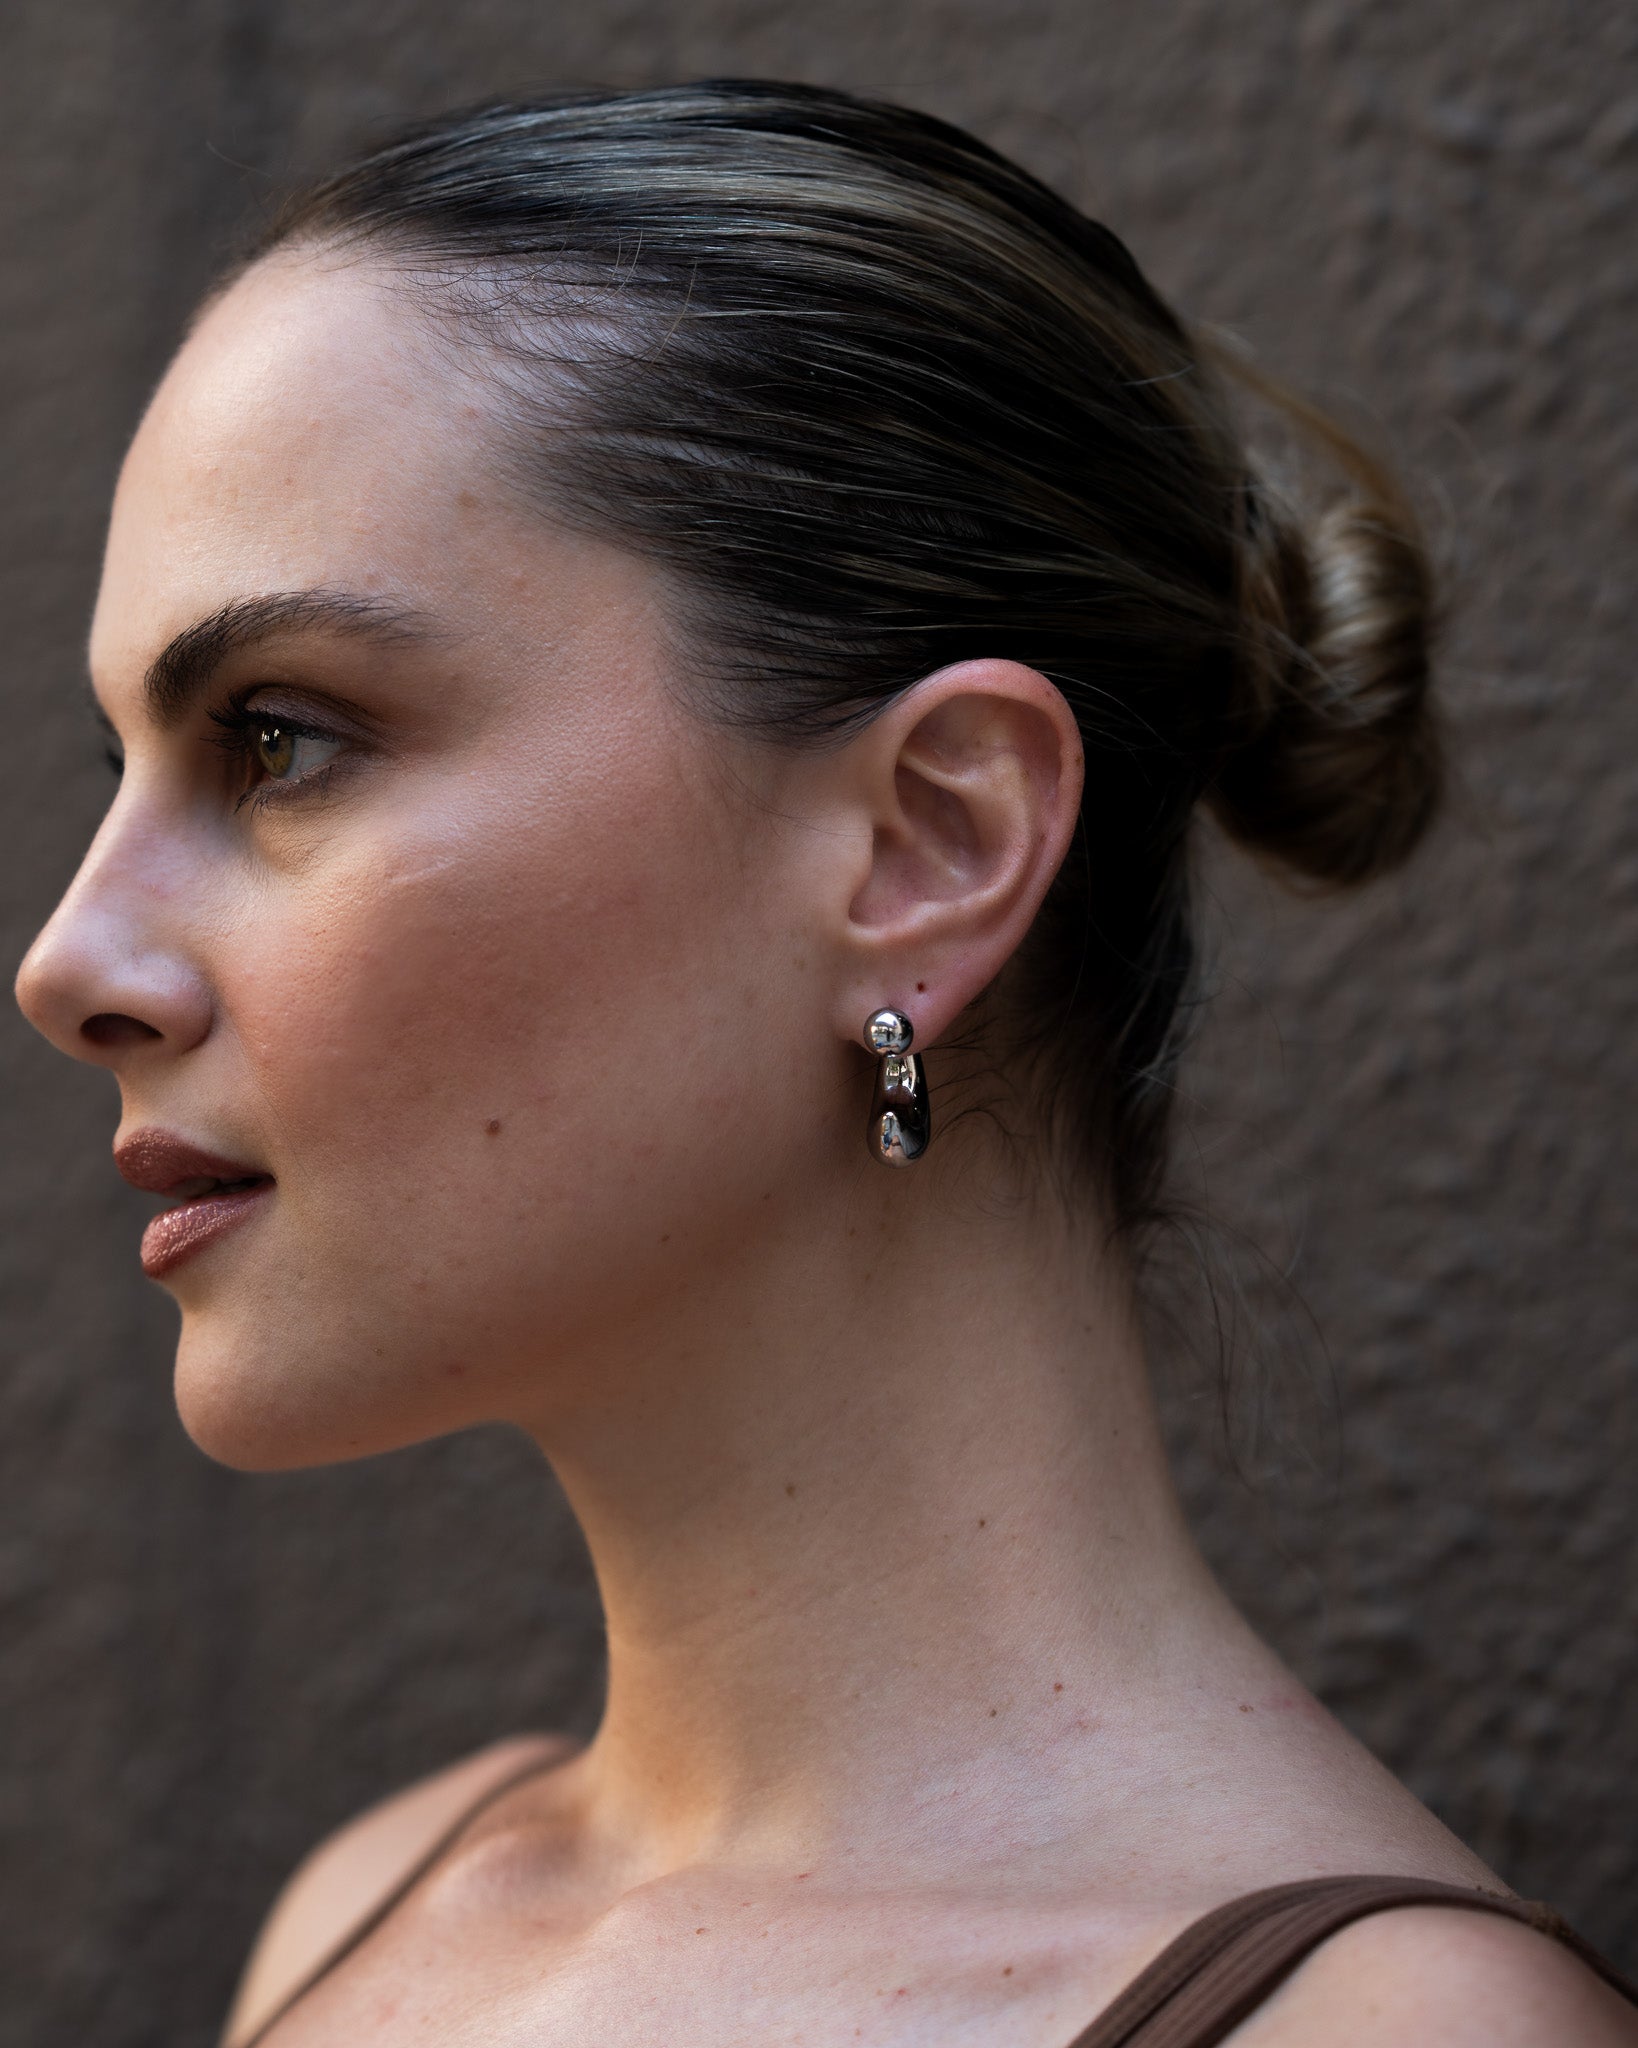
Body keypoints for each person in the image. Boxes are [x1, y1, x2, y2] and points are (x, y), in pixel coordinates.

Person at [14, 79, 1636, 2048]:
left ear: (925, 847)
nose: (69, 964)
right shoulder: (366, 1911)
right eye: (127, 772)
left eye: (277, 741)